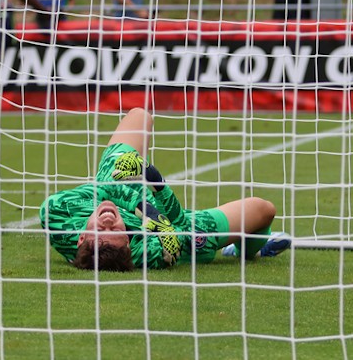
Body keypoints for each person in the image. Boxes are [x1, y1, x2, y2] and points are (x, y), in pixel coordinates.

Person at [39, 108, 290, 271]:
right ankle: (240, 249)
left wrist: (139, 205)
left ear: (81, 236)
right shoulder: (146, 252)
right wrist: (155, 180)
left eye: (99, 227)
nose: (106, 220)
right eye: (113, 229)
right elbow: (177, 222)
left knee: (139, 115)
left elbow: (99, 189)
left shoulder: (58, 218)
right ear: (128, 242)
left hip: (123, 188)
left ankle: (127, 176)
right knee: (264, 209)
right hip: (175, 226)